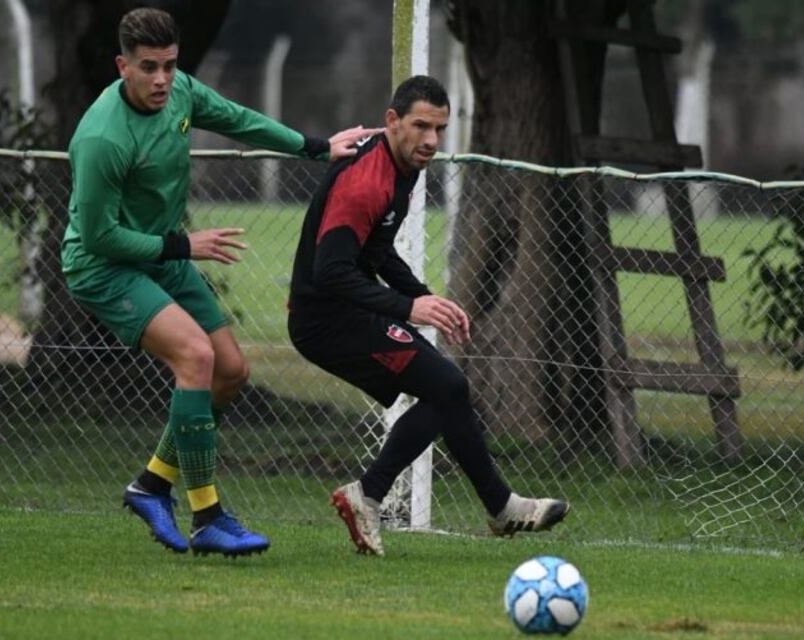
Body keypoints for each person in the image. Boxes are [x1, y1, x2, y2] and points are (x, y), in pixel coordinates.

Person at [61, 7, 378, 557]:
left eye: (169, 65)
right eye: (148, 67)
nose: (162, 79)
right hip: (103, 267)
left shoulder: (180, 91)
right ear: (122, 67)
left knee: (230, 372)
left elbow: (237, 118)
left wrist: (315, 146)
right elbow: (98, 237)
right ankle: (207, 517)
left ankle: (151, 485)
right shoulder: (101, 138)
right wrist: (184, 246)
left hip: (163, 253)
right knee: (196, 358)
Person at [287, 75, 569, 556]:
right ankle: (383, 496)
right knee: (447, 385)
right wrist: (409, 306)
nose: (432, 141)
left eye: (440, 128)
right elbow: (330, 272)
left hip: (348, 310)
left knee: (448, 388)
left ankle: (495, 506)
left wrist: (424, 297)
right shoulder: (365, 182)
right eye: (421, 126)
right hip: (326, 321)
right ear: (392, 121)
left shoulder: (402, 163)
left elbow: (376, 250)